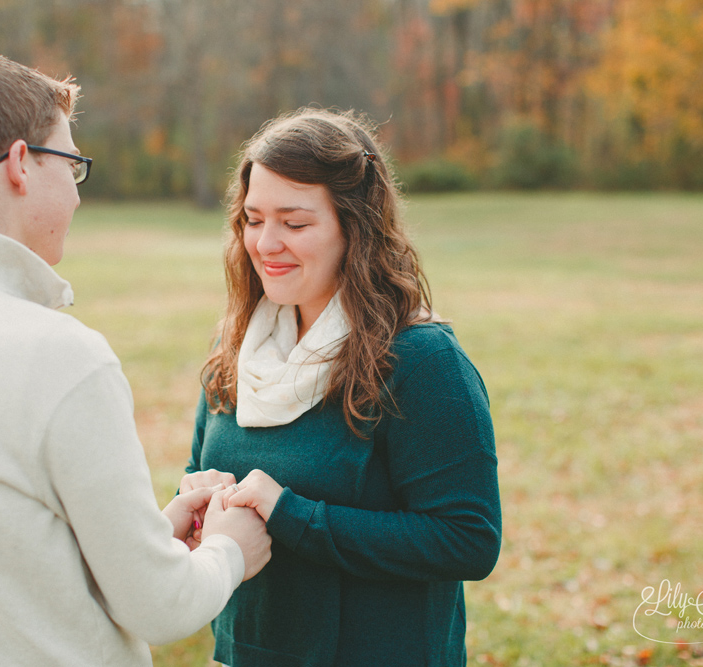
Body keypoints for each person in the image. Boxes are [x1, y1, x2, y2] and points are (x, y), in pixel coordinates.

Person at [0, 50, 270, 667]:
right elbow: (161, 608)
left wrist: (149, 535)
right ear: (20, 164)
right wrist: (230, 548)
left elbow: (1, 554)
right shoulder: (61, 357)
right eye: (70, 163)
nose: (74, 191)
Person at [181, 108, 501, 667]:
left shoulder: (421, 361)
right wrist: (197, 500)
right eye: (253, 220)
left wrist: (292, 515)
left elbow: (467, 539)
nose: (265, 243)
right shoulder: (235, 351)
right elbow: (198, 475)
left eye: (295, 223)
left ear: (355, 228)